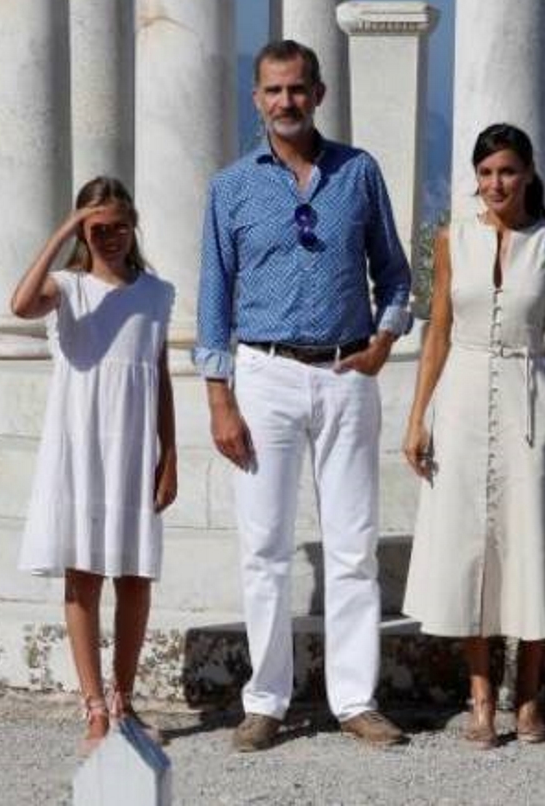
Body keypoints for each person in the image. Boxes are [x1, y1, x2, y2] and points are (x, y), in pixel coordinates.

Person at [196, 39, 413, 753]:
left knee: (352, 545)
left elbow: (396, 276)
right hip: (263, 375)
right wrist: (219, 399)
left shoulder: (359, 173)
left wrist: (382, 342)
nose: (285, 102)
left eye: (297, 89)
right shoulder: (230, 188)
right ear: (256, 99)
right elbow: (212, 303)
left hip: (347, 371)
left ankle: (355, 699)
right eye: (272, 91)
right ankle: (265, 700)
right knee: (264, 547)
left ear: (318, 94)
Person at [400, 123, 545, 748]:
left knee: (528, 543)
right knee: (469, 547)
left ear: (528, 173)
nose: (495, 183)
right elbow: (439, 331)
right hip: (462, 395)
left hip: (528, 396)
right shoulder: (453, 238)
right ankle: (479, 696)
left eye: (506, 171)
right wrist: (417, 416)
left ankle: (528, 696)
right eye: (485, 173)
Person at [12, 177, 178, 752]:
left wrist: (170, 455)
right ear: (84, 230)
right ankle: (92, 707)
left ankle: (124, 699)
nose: (109, 238)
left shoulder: (157, 294)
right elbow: (18, 304)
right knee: (83, 573)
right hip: (81, 440)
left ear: (134, 227)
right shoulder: (69, 287)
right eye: (97, 229)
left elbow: (157, 378)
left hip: (134, 443)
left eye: (118, 227)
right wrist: (65, 227)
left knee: (134, 575)